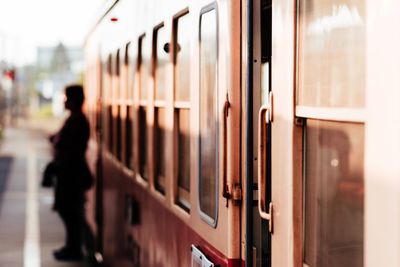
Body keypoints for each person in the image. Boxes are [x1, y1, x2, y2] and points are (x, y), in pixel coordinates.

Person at [49, 84, 93, 261]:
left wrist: (57, 141)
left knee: (69, 211)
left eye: (67, 99)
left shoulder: (78, 121)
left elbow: (67, 146)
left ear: (74, 101)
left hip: (71, 174)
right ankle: (72, 247)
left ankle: (74, 249)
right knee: (68, 211)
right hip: (69, 172)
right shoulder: (74, 119)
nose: (65, 102)